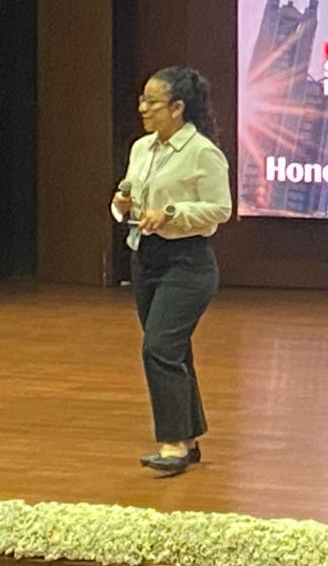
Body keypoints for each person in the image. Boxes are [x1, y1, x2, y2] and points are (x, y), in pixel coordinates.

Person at [110, 66, 232, 477]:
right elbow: (130, 191)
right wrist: (122, 204)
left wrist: (173, 212)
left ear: (177, 108)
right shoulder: (142, 148)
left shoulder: (202, 152)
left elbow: (220, 209)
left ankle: (174, 443)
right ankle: (189, 437)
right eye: (142, 100)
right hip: (146, 259)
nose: (143, 108)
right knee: (171, 350)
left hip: (188, 263)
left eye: (152, 102)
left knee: (159, 347)